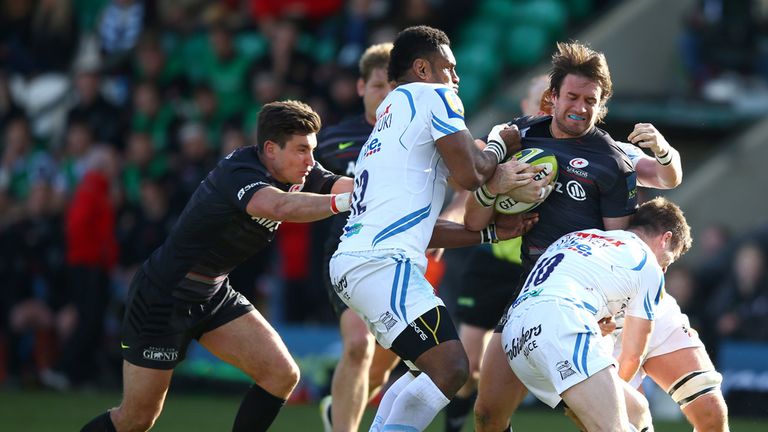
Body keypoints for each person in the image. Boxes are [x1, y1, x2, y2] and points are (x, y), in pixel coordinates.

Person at [80, 100, 355, 432]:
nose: (311, 161)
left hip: (212, 293)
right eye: (301, 150)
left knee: (281, 374)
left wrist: (389, 191)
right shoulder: (239, 170)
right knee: (137, 419)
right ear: (270, 149)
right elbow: (279, 206)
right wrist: (345, 202)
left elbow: (344, 185)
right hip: (164, 296)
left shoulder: (298, 171)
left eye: (311, 150)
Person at [329, 25, 547, 432]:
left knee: (424, 370)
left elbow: (422, 230)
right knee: (451, 368)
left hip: (366, 261)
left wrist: (490, 233)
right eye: (450, 67)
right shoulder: (433, 95)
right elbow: (471, 174)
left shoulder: (391, 118)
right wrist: (500, 143)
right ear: (423, 69)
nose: (457, 78)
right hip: (381, 264)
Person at [465, 41, 640, 432]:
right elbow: (474, 221)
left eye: (590, 100)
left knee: (595, 417)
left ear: (602, 103)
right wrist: (497, 184)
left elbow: (620, 250)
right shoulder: (519, 136)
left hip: (578, 301)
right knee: (488, 414)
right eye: (572, 97)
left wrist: (607, 312)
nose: (580, 108)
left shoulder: (613, 163)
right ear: (552, 97)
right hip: (527, 293)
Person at [503, 197, 693, 431]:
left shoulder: (577, 237)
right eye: (669, 260)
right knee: (615, 426)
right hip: (559, 322)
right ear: (666, 239)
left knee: (638, 411)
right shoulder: (647, 264)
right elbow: (633, 355)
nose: (664, 269)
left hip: (514, 339)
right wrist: (605, 395)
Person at [315, 42, 403, 432]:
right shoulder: (332, 140)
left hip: (398, 257)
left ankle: (340, 411)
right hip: (345, 254)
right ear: (361, 88)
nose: (386, 95)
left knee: (381, 365)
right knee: (358, 346)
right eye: (378, 86)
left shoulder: (415, 139)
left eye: (394, 87)